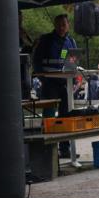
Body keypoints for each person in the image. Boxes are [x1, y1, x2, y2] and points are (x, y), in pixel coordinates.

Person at [32, 14, 79, 163]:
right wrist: (42, 77)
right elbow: (36, 61)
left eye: (64, 25)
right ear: (54, 25)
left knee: (65, 115)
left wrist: (72, 71)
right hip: (49, 82)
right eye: (59, 24)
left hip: (65, 83)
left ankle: (64, 149)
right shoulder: (45, 40)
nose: (61, 27)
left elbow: (71, 61)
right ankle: (48, 148)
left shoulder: (70, 41)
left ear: (68, 26)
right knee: (50, 115)